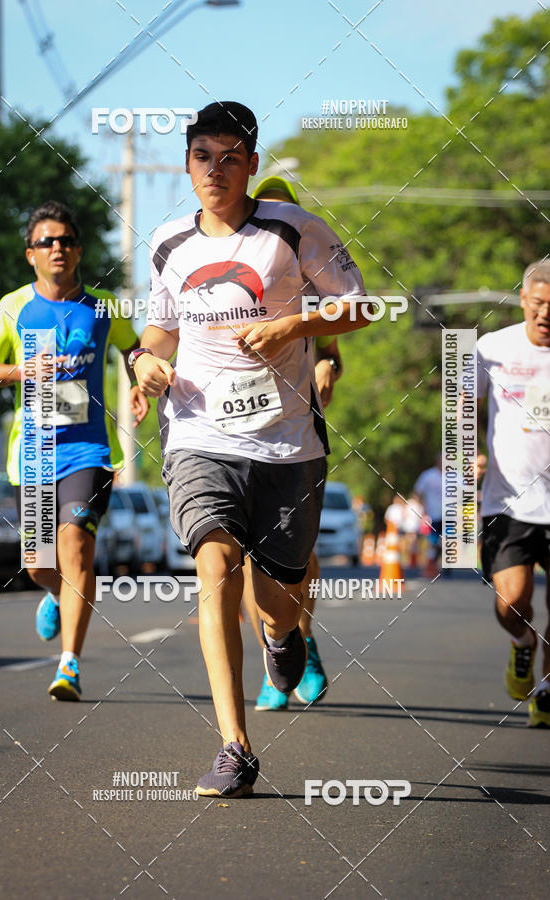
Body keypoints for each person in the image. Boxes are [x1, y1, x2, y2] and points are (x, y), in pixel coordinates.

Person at [133, 101, 368, 796]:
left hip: (286, 442)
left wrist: (294, 325)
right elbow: (159, 331)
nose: (217, 169)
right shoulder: (170, 242)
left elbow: (360, 306)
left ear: (253, 166)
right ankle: (235, 747)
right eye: (204, 155)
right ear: (187, 164)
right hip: (199, 432)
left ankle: (283, 637)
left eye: (231, 156)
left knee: (277, 598)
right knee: (215, 564)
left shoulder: (293, 232)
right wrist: (140, 367)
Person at [0, 201, 147, 701]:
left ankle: (69, 664)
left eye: (66, 240)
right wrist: (22, 371)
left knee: (75, 548)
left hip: (89, 452)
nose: (58, 249)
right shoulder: (13, 306)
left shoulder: (104, 304)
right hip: (35, 453)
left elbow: (133, 347)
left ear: (79, 250)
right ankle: (53, 593)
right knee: (38, 563)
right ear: (31, 254)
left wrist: (138, 379)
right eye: (47, 241)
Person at [241, 175, 344, 713]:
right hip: (233, 431)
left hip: (296, 430)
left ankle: (302, 640)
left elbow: (334, 347)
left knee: (295, 560)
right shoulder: (232, 270)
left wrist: (327, 365)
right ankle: (270, 656)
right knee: (236, 558)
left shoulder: (309, 277)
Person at [477, 259, 550, 727]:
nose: (546, 314)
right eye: (538, 304)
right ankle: (523, 644)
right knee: (512, 601)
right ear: (523, 299)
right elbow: (460, 406)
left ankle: (545, 694)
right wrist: (464, 460)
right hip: (508, 502)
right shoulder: (491, 348)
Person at [414, 454, 443, 575]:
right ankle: (432, 565)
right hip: (434, 515)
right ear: (437, 461)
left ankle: (446, 567)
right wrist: (423, 508)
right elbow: (417, 492)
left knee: (448, 540)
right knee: (434, 541)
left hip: (451, 515)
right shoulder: (428, 475)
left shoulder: (454, 476)